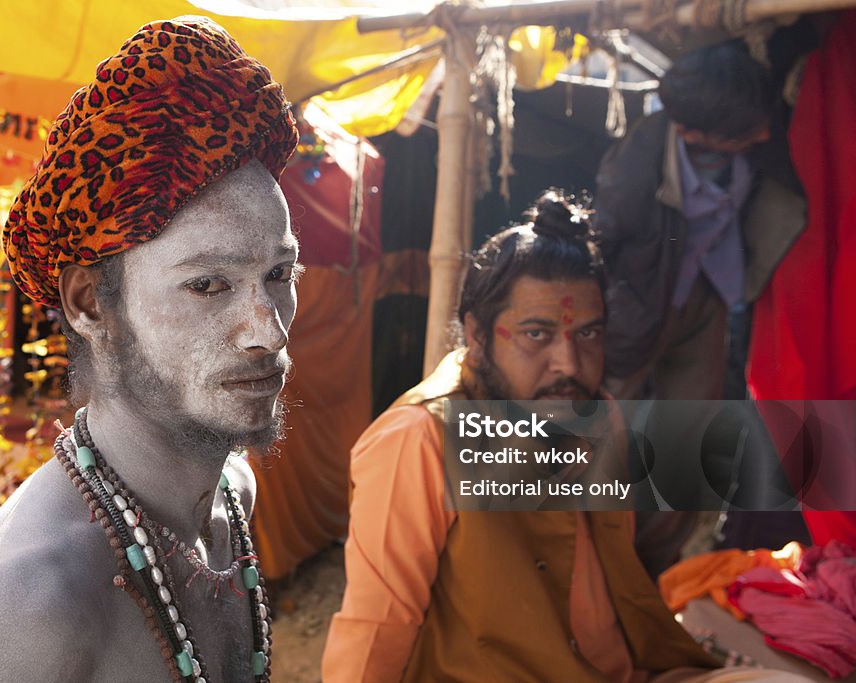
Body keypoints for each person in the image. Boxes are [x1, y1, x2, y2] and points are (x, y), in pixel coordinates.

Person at [0, 17, 298, 682]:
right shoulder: (21, 612)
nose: (269, 330)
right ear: (90, 302)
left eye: (279, 275)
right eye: (208, 284)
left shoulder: (232, 493)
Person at [323, 190, 774, 682]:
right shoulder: (419, 438)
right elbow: (377, 628)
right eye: (537, 334)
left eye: (588, 334)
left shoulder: (597, 413)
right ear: (476, 334)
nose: (569, 364)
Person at [593, 41, 807, 577]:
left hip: (708, 301)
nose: (761, 135)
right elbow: (605, 244)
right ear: (689, 132)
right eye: (743, 133)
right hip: (636, 310)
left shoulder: (758, 138)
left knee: (687, 441)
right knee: (601, 434)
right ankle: (594, 562)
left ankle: (653, 568)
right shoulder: (638, 159)